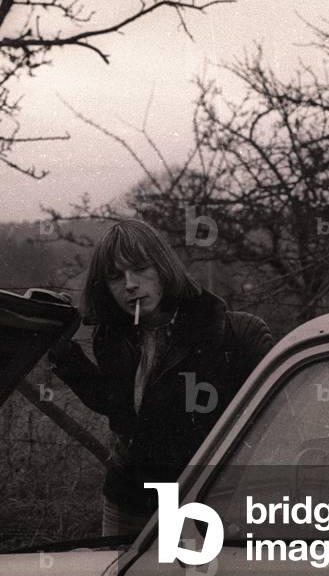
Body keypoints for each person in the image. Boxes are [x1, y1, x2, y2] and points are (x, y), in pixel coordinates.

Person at [48, 219, 275, 537]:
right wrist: (63, 352)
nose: (129, 284)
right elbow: (116, 403)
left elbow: (266, 427)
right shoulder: (114, 336)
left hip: (200, 501)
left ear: (163, 268)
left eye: (141, 269)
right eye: (115, 277)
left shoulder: (219, 332)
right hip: (128, 500)